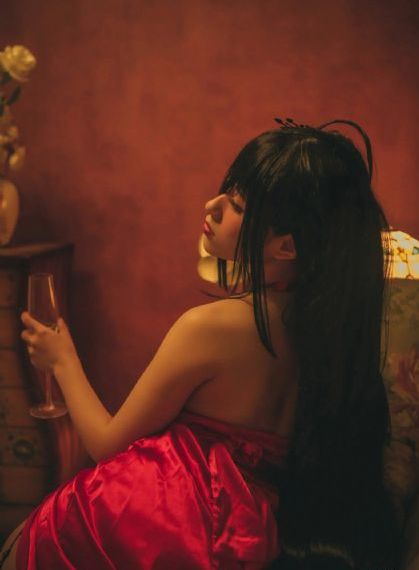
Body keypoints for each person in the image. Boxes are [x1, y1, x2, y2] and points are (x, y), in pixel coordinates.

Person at [0, 117, 401, 569]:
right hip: (248, 530)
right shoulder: (333, 332)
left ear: (286, 247)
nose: (211, 206)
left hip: (157, 521)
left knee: (31, 535)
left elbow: (107, 445)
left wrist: (62, 360)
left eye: (237, 205)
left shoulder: (212, 328)